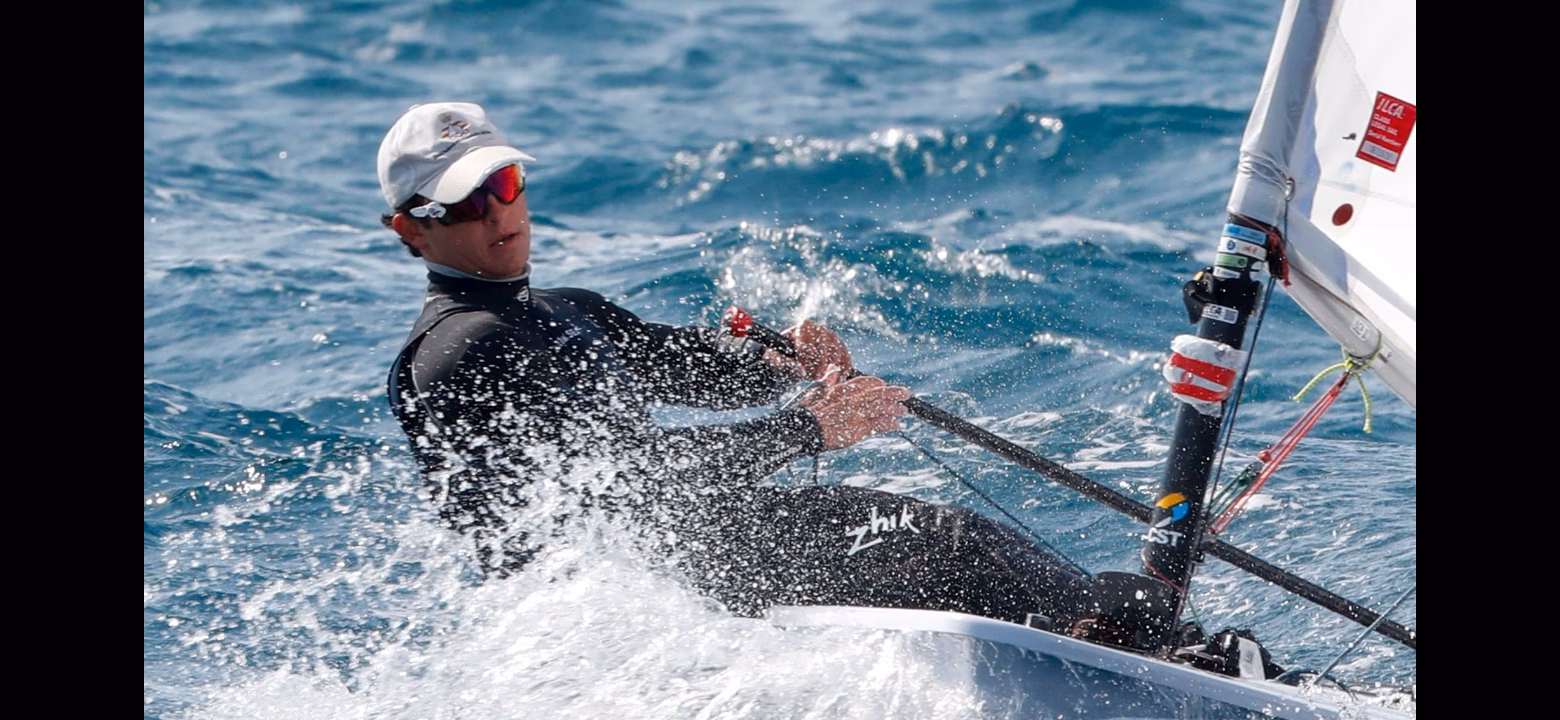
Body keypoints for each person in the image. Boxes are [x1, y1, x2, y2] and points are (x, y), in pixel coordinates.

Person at [379, 101, 1092, 627]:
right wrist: (808, 430)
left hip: (723, 541)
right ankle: (1144, 646)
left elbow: (690, 368)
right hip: (652, 591)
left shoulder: (570, 311)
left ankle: (1140, 639)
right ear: (410, 228)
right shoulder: (457, 352)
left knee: (961, 536)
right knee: (956, 546)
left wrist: (783, 357)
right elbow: (627, 497)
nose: (499, 213)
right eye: (466, 202)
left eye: (505, 184)